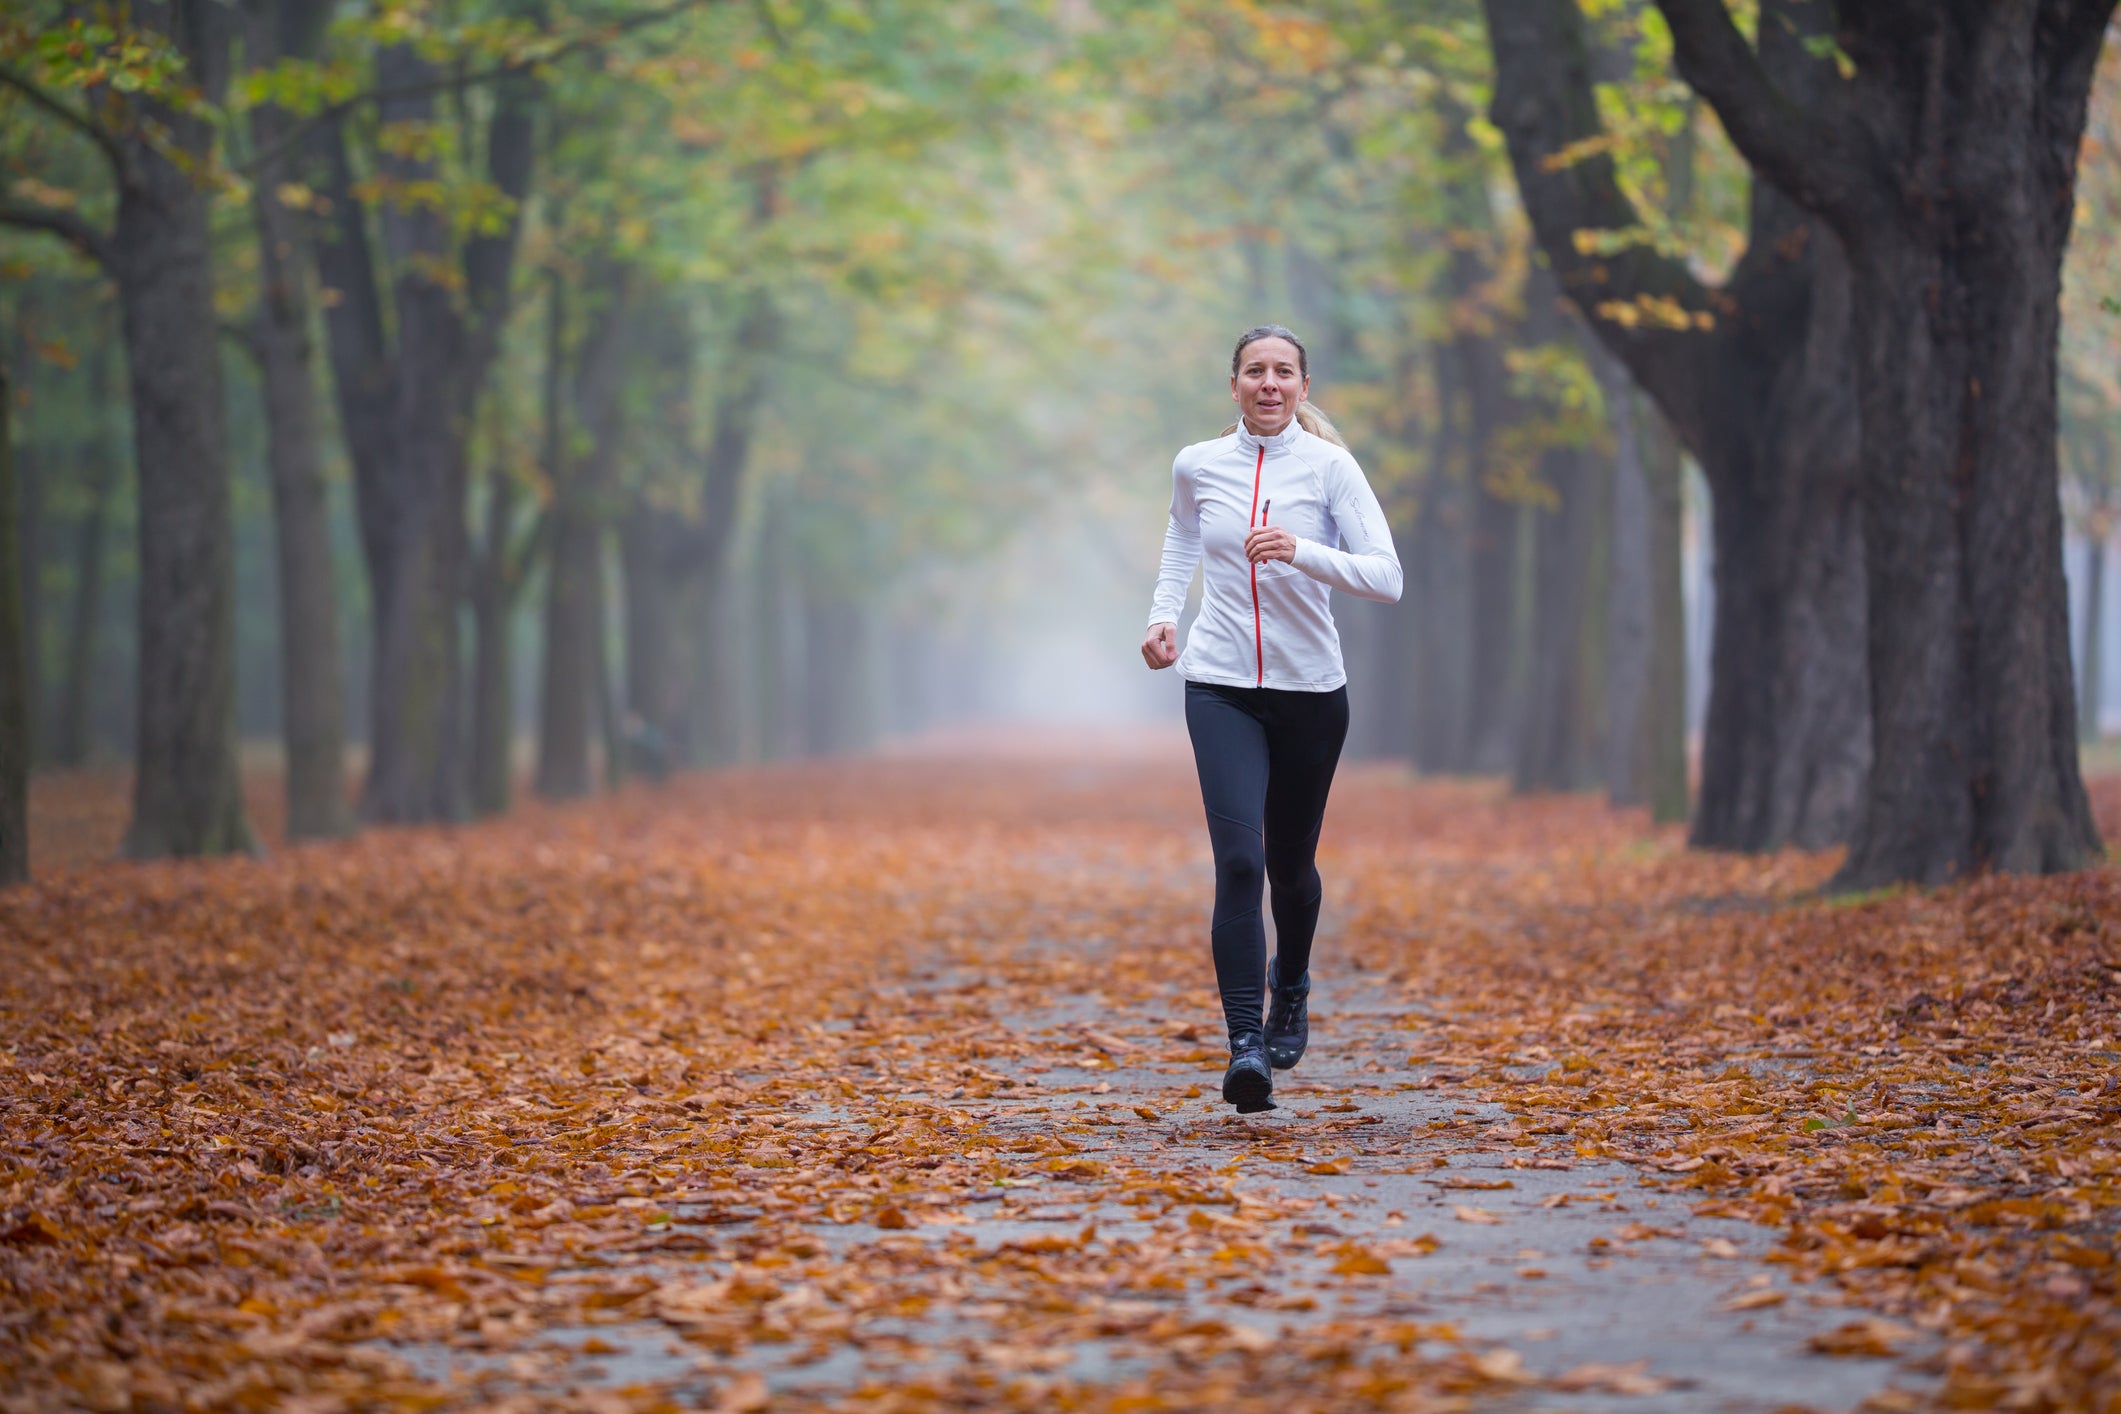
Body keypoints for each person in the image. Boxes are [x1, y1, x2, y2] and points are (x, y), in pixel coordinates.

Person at [1141, 325, 1403, 1114]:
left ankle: (1291, 980)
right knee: (1239, 865)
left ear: (1302, 385)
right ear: (1233, 385)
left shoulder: (1330, 468)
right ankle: (1246, 1045)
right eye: (1254, 370)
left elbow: (1385, 577)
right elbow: (1183, 533)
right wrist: (1161, 617)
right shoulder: (1197, 463)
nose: (1267, 383)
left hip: (1309, 693)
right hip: (1218, 684)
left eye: (1282, 372)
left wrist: (1300, 551)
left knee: (1290, 869)